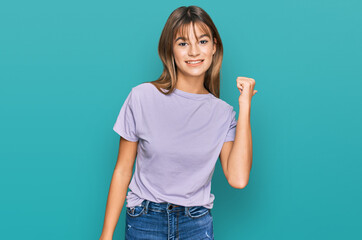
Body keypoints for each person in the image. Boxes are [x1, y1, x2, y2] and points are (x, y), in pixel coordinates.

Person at [100, 5, 257, 240]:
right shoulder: (142, 97)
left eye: (202, 41)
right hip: (145, 220)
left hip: (196, 224)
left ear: (214, 46)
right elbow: (123, 170)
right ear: (170, 50)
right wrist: (106, 235)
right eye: (183, 43)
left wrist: (245, 106)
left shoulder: (223, 114)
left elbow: (238, 178)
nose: (194, 51)